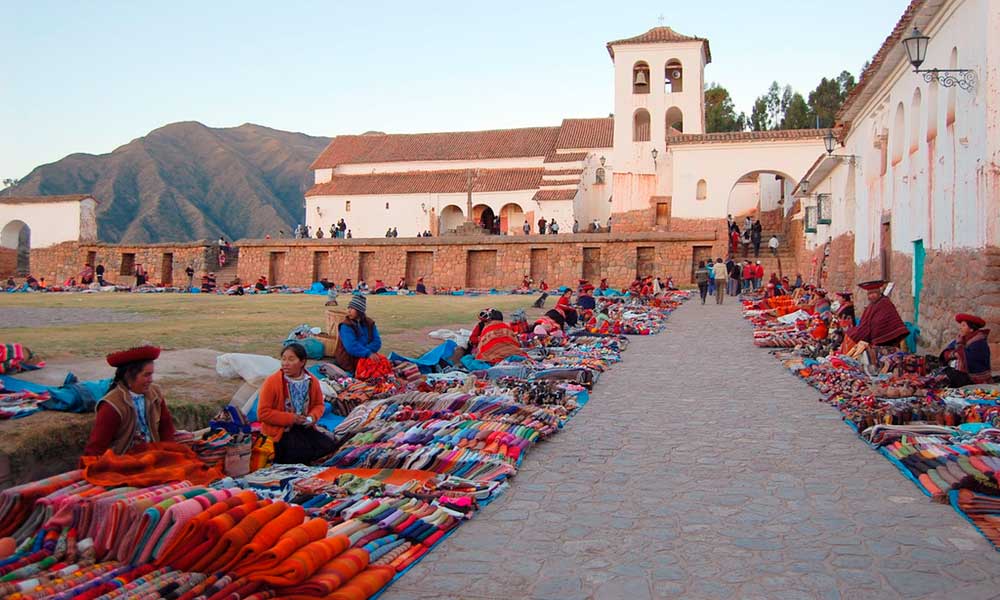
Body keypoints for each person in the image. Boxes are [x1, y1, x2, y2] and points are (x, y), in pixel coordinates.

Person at [83, 345, 176, 456]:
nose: (151, 380)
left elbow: (166, 428)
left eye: (151, 374)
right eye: (146, 375)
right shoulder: (112, 406)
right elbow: (96, 447)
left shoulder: (155, 394)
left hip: (154, 453)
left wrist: (169, 454)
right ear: (129, 375)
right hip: (125, 461)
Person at [257, 343, 337, 464]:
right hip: (281, 432)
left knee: (329, 447)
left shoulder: (311, 381)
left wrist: (311, 418)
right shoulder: (272, 382)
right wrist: (292, 418)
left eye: (291, 359)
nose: (285, 363)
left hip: (303, 427)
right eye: (283, 359)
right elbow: (263, 413)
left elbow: (318, 405)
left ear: (302, 362)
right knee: (299, 455)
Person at [844, 280, 910, 351]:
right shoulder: (871, 306)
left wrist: (867, 330)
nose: (871, 296)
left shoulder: (885, 303)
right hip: (871, 336)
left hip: (886, 340)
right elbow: (865, 323)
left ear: (879, 293)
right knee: (850, 335)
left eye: (874, 293)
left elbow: (881, 322)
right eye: (869, 294)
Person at [938, 313, 992, 386]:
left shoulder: (979, 342)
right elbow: (946, 353)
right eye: (961, 325)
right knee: (942, 371)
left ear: (971, 329)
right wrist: (955, 354)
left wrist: (958, 350)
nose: (960, 328)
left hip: (975, 377)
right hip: (962, 373)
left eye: (963, 325)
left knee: (951, 376)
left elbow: (969, 361)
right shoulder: (961, 338)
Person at [333, 295, 382, 373]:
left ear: (359, 311)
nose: (348, 311)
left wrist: (367, 352)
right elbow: (351, 346)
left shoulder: (369, 323)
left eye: (352, 308)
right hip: (349, 360)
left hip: (366, 357)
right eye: (348, 308)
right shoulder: (346, 326)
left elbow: (377, 342)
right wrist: (368, 353)